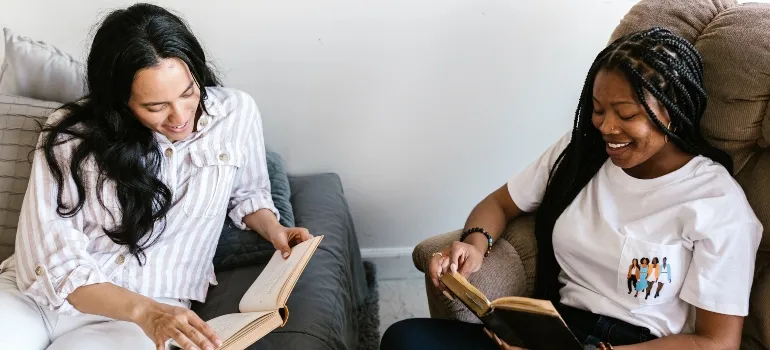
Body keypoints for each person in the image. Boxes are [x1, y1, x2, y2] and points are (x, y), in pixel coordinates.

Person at [380, 27, 762, 350]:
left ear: (673, 109)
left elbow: (716, 342)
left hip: (637, 345)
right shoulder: (581, 154)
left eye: (626, 114)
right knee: (406, 338)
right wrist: (474, 245)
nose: (606, 127)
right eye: (598, 109)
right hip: (555, 331)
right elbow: (499, 204)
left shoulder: (716, 204)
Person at [0, 3, 312, 350]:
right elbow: (47, 258)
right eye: (155, 106)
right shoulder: (70, 134)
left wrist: (274, 229)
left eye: (188, 92)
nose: (180, 116)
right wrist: (145, 312)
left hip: (145, 314)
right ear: (121, 102)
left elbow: (247, 193)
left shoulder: (236, 114)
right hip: (40, 299)